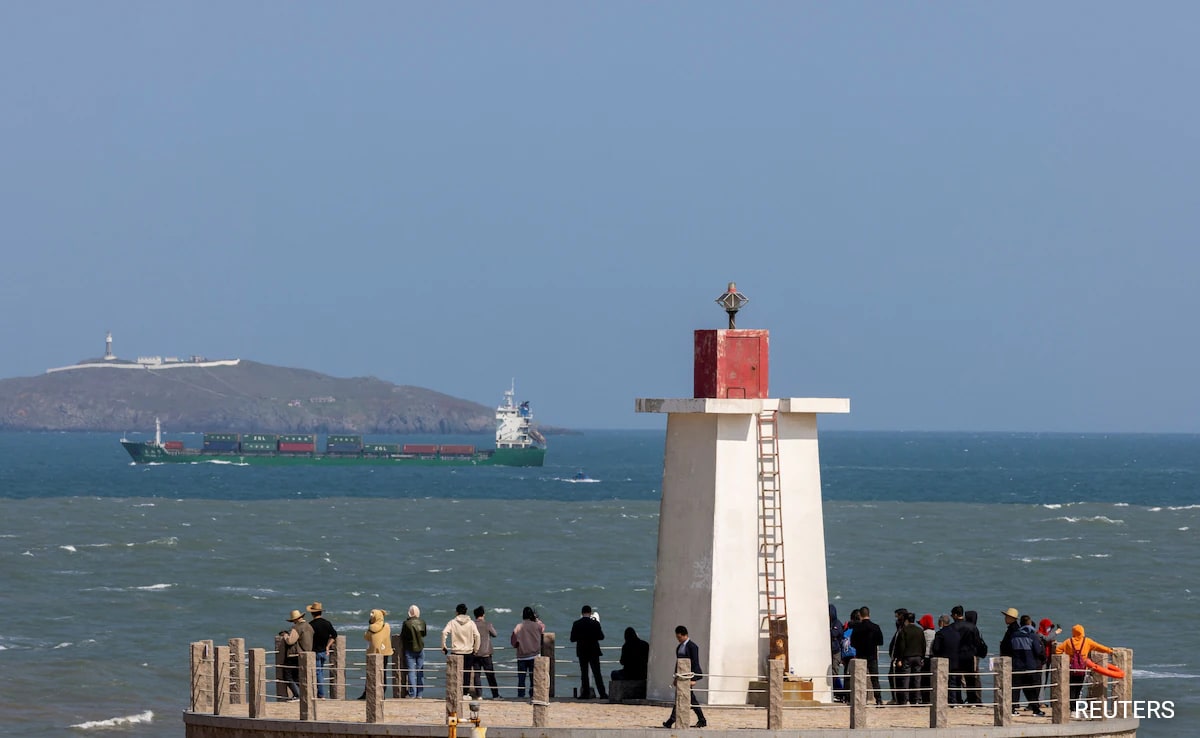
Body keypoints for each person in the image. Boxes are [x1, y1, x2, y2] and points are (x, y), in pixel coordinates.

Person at [662, 625, 707, 729]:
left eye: (679, 637)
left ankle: (671, 720)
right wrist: (675, 677)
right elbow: (678, 663)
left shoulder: (692, 646)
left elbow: (695, 663)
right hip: (681, 677)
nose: (678, 639)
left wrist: (693, 679)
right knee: (690, 699)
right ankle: (702, 719)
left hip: (689, 676)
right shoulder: (679, 647)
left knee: (681, 697)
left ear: (684, 635)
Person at [1056, 624, 1114, 702]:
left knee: (1071, 688)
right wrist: (1110, 650)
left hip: (1071, 668)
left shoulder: (1068, 642)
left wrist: (1066, 658)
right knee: (1078, 688)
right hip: (1082, 669)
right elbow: (1098, 647)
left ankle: (1071, 707)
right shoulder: (1087, 641)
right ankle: (1075, 707)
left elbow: (1058, 650)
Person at [1005, 613, 1046, 716]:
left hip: (1017, 666)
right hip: (1029, 666)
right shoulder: (1032, 636)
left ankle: (1012, 709)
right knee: (1031, 689)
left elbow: (1009, 649)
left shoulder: (1014, 635)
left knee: (1015, 689)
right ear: (1029, 623)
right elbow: (1038, 651)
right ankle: (1036, 710)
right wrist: (1042, 658)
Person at [848, 605, 884, 706]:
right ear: (869, 614)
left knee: (860, 679)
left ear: (860, 615)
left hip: (860, 656)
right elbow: (880, 642)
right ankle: (879, 700)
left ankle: (860, 700)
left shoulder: (857, 628)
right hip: (872, 656)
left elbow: (852, 643)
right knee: (875, 679)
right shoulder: (875, 627)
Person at [442, 603, 481, 695]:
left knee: (455, 674)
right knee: (466, 673)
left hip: (456, 652)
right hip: (468, 651)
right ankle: (465, 693)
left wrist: (444, 646)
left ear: (456, 612)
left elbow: (444, 632)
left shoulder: (452, 622)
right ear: (466, 612)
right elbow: (477, 635)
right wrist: (476, 649)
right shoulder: (471, 623)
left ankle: (455, 692)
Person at [569, 604, 607, 699]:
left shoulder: (576, 624)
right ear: (590, 613)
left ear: (582, 613)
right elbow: (601, 637)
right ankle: (602, 693)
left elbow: (572, 639)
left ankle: (585, 693)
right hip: (594, 651)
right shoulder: (595, 624)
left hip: (582, 651)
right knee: (597, 673)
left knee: (584, 673)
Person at [511, 606, 545, 698]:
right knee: (534, 678)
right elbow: (542, 628)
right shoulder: (537, 625)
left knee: (521, 679)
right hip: (534, 655)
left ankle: (521, 696)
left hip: (522, 656)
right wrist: (536, 619)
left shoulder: (518, 627)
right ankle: (532, 695)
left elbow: (513, 642)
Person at [305, 601, 337, 699]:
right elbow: (334, 635)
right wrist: (328, 646)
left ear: (312, 613)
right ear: (321, 612)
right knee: (320, 672)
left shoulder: (310, 625)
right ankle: (320, 693)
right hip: (323, 651)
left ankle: (321, 694)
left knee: (318, 673)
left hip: (314, 652)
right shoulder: (327, 623)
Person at [892, 612, 925, 705]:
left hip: (907, 657)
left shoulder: (904, 631)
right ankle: (917, 700)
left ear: (906, 620)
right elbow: (923, 645)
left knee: (906, 678)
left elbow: (901, 646)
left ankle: (905, 700)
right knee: (917, 679)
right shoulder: (920, 630)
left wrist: (899, 659)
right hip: (918, 656)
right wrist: (922, 657)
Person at [359, 609, 392, 699]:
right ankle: (382, 693)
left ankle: (367, 693)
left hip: (372, 653)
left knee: (370, 673)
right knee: (383, 673)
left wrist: (371, 623)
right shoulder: (387, 627)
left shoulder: (371, 628)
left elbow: (366, 637)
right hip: (384, 652)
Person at [280, 609, 313, 700]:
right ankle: (304, 694)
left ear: (296, 619)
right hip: (307, 654)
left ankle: (297, 695)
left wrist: (286, 636)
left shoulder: (297, 627)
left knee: (287, 676)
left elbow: (290, 641)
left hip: (295, 655)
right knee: (298, 677)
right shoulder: (309, 626)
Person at [931, 613, 962, 704]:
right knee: (957, 681)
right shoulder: (956, 633)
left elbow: (936, 648)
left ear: (941, 622)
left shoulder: (940, 634)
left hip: (945, 661)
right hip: (957, 660)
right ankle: (958, 700)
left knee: (948, 681)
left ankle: (952, 701)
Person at [472, 606, 501, 699]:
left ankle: (479, 695)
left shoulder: (472, 625)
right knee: (490, 675)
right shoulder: (487, 624)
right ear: (483, 614)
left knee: (477, 675)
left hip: (475, 653)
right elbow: (495, 634)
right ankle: (495, 695)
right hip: (486, 653)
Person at [400, 605, 428, 698]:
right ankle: (420, 694)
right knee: (420, 671)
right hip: (420, 649)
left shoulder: (406, 623)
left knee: (411, 672)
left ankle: (413, 694)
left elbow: (403, 636)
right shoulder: (422, 622)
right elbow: (424, 634)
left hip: (410, 649)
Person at [886, 608, 909, 704]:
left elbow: (901, 646)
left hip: (898, 659)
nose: (896, 620)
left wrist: (899, 658)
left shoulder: (902, 630)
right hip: (896, 658)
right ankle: (898, 698)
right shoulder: (900, 630)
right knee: (896, 678)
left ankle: (897, 699)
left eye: (897, 616)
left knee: (895, 678)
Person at [918, 614, 936, 704]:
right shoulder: (935, 633)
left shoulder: (924, 633)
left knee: (924, 680)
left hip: (925, 658)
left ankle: (924, 699)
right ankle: (930, 698)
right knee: (931, 679)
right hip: (933, 658)